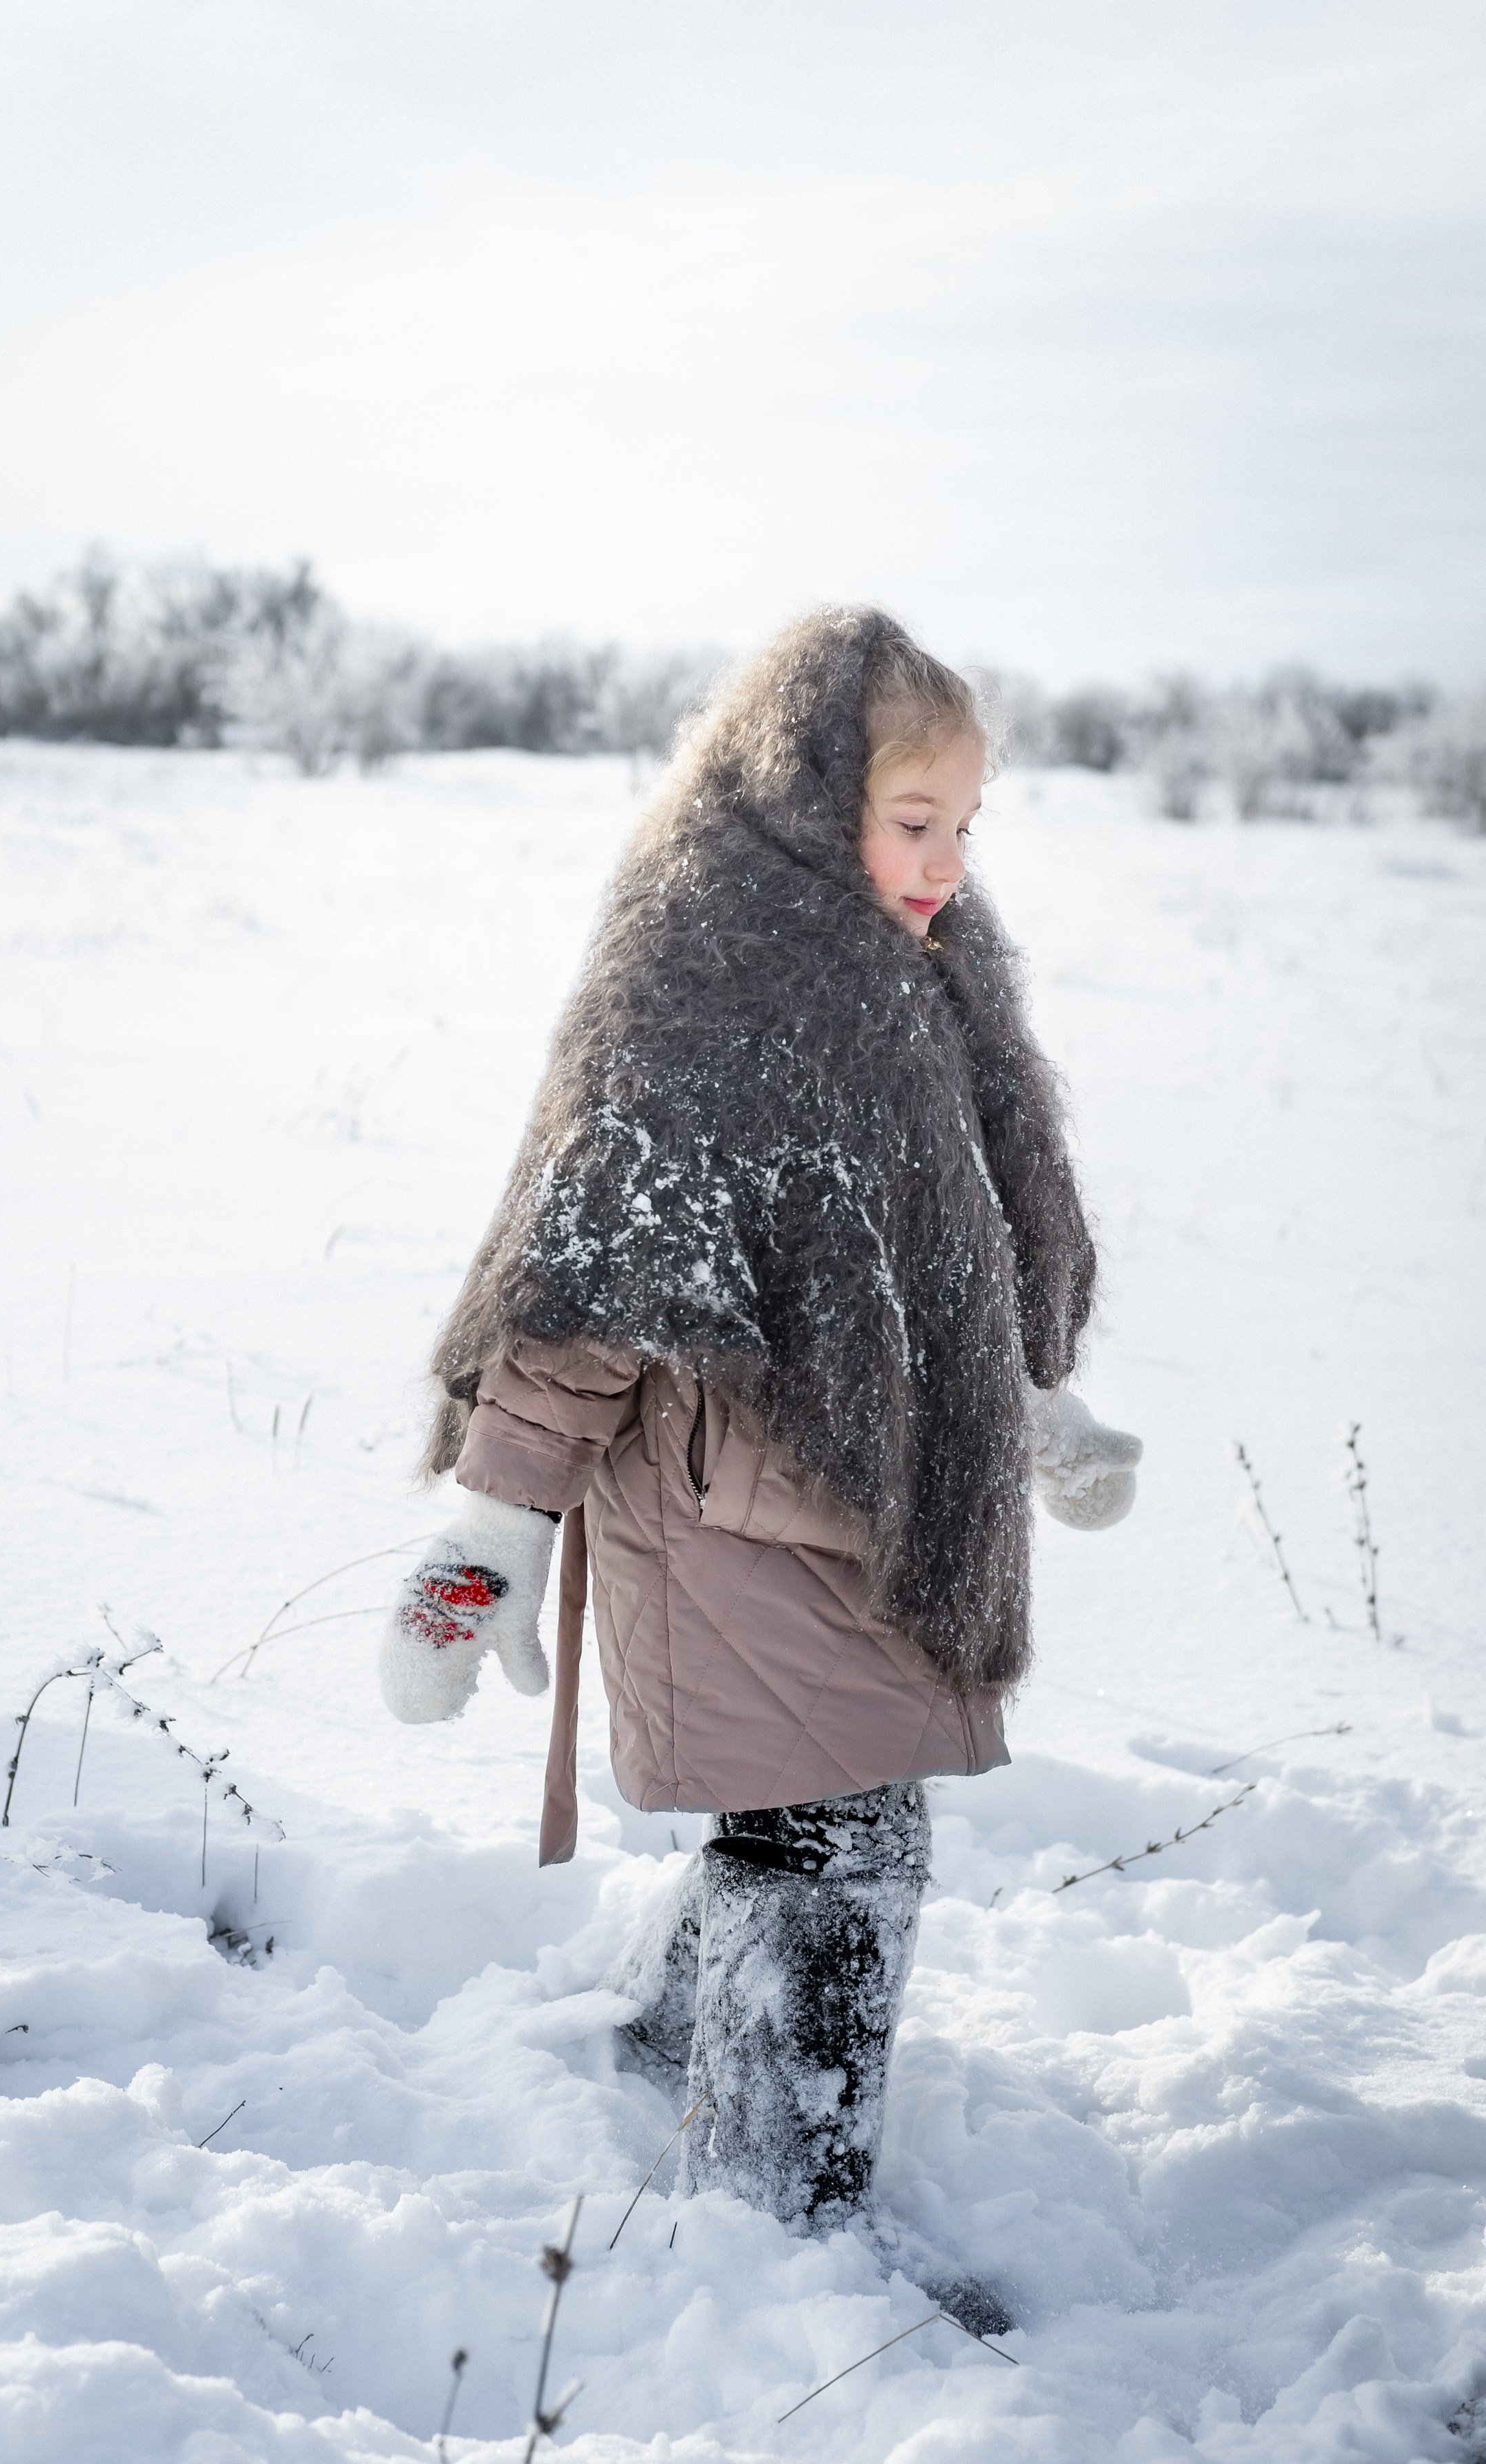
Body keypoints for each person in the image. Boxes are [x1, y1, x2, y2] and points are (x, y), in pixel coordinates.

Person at [380, 608, 1140, 2317]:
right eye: (912, 819)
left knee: (819, 1819)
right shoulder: (711, 977)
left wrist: (1028, 1408)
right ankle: (779, 2217)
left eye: (965, 822)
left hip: (851, 1506)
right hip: (727, 1514)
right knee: (841, 1846)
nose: (946, 864)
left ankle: (678, 2038)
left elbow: (922, 1263)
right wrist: (493, 1525)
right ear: (808, 795)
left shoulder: (920, 965)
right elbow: (589, 1287)